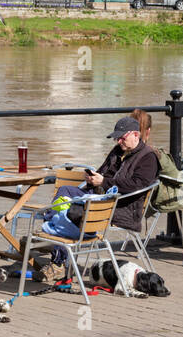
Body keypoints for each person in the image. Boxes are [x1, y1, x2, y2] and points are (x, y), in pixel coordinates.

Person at [35, 115, 160, 283]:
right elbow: (103, 172)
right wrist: (92, 178)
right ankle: (54, 235)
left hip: (123, 206)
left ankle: (56, 253)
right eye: (116, 138)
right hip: (100, 196)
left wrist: (104, 182)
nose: (118, 142)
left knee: (74, 210)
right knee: (65, 191)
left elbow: (137, 185)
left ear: (136, 135)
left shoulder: (148, 157)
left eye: (122, 138)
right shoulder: (118, 151)